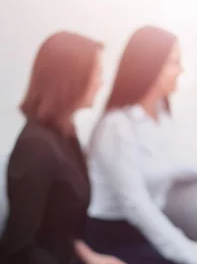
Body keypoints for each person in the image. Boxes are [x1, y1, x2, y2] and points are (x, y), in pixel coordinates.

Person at [84, 26, 197, 264]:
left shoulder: (160, 117)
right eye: (174, 62)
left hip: (144, 234)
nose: (181, 70)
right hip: (112, 240)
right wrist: (195, 259)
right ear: (151, 66)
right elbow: (137, 206)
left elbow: (181, 163)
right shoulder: (116, 126)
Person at [0, 31, 125, 264]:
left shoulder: (64, 134)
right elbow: (18, 249)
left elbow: (57, 230)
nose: (101, 81)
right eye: (97, 72)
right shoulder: (36, 147)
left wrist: (91, 258)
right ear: (72, 78)